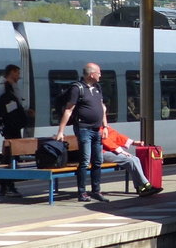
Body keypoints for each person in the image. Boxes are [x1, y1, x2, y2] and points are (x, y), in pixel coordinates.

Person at [54, 62, 112, 203]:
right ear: (92, 74)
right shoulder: (77, 88)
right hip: (83, 128)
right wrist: (61, 131)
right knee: (85, 161)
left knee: (98, 161)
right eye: (99, 72)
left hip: (97, 129)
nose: (100, 75)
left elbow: (102, 108)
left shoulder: (97, 87)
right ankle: (82, 192)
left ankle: (96, 190)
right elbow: (69, 110)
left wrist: (105, 126)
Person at [0, 64, 30, 198]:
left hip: (12, 125)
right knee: (11, 157)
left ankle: (6, 186)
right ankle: (8, 186)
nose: (19, 76)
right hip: (11, 126)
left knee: (11, 156)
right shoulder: (5, 87)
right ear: (12, 72)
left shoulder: (7, 86)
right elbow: (7, 107)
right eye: (17, 73)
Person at [101, 123, 155, 196]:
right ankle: (146, 184)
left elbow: (116, 136)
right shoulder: (97, 126)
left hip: (109, 151)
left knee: (135, 159)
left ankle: (140, 187)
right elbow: (105, 140)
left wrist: (133, 142)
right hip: (100, 152)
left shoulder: (104, 126)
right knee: (130, 160)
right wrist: (122, 151)